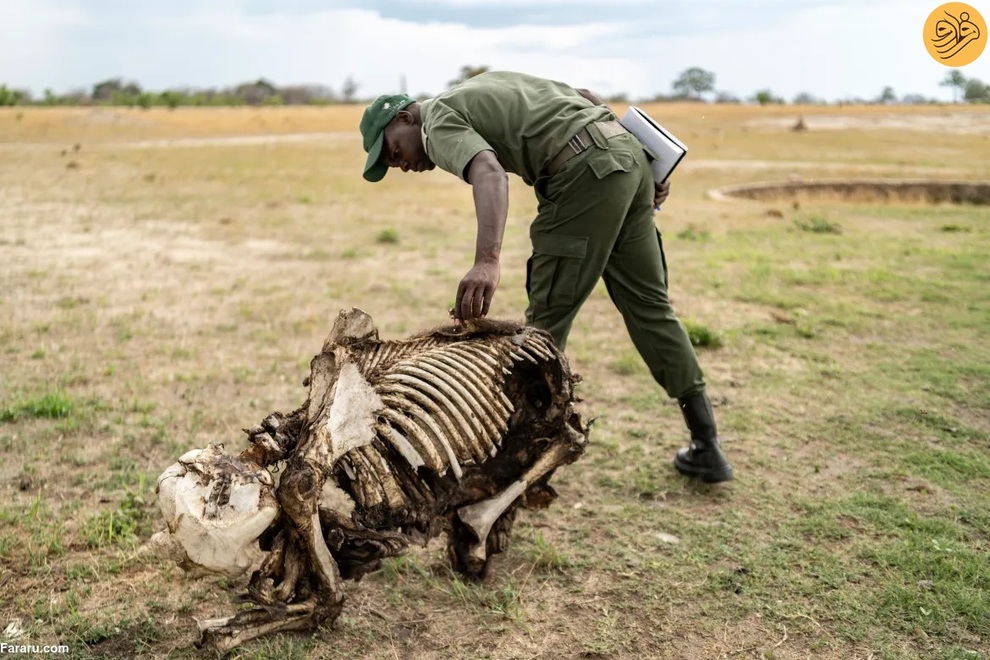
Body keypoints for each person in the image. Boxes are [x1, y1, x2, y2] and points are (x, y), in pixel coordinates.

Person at [359, 71, 732, 483]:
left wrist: (487, 261)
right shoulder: (488, 83)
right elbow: (586, 95)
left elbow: (488, 171)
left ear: (408, 119)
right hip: (629, 159)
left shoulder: (436, 120)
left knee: (543, 332)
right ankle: (706, 444)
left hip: (584, 176)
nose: (402, 165)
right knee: (650, 308)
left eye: (394, 152)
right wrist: (638, 166)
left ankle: (516, 471)